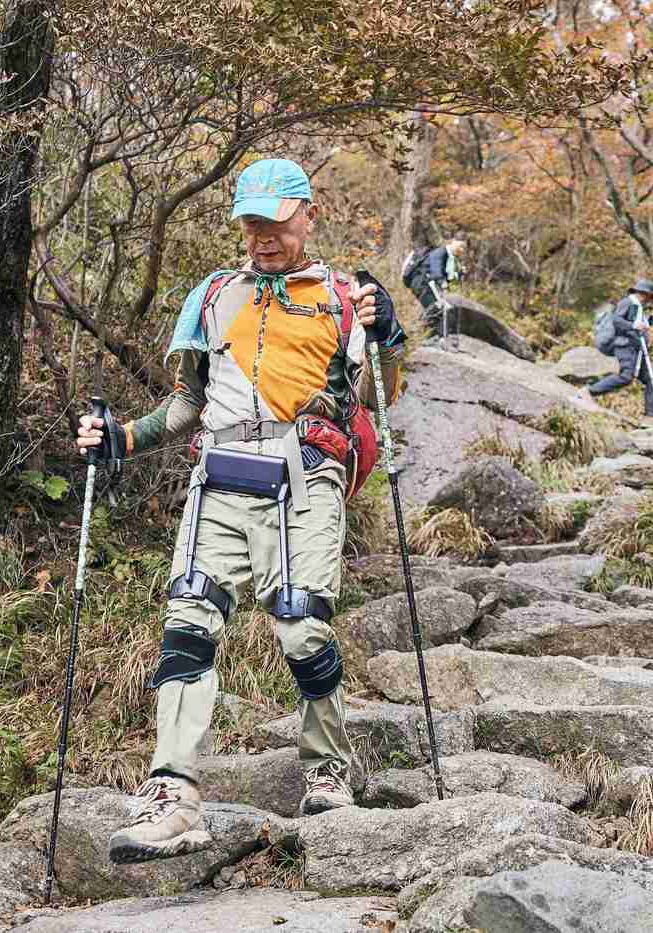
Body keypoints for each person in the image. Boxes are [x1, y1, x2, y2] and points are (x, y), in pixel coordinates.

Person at [74, 158, 406, 864]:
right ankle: (173, 795)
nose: (262, 237)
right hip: (218, 477)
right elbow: (187, 407)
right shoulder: (214, 294)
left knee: (300, 624)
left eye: (275, 224)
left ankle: (329, 764)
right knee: (188, 624)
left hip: (305, 473)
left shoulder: (346, 298)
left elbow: (380, 397)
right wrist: (120, 439)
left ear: (308, 216)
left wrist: (390, 335)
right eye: (251, 223)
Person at [586, 278, 653, 418]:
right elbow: (617, 320)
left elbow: (635, 321)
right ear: (644, 293)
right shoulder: (628, 302)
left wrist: (649, 321)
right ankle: (589, 392)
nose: (651, 300)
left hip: (637, 348)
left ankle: (650, 416)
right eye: (650, 296)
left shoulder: (639, 306)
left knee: (652, 378)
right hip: (624, 345)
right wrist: (633, 326)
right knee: (626, 376)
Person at [409, 239, 465, 340]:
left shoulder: (449, 257)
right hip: (422, 285)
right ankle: (422, 334)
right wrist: (442, 282)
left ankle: (429, 335)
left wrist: (459, 273)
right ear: (452, 242)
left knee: (436, 309)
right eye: (460, 246)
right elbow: (436, 272)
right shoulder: (440, 253)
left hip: (426, 286)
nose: (461, 249)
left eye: (463, 248)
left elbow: (448, 276)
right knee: (439, 309)